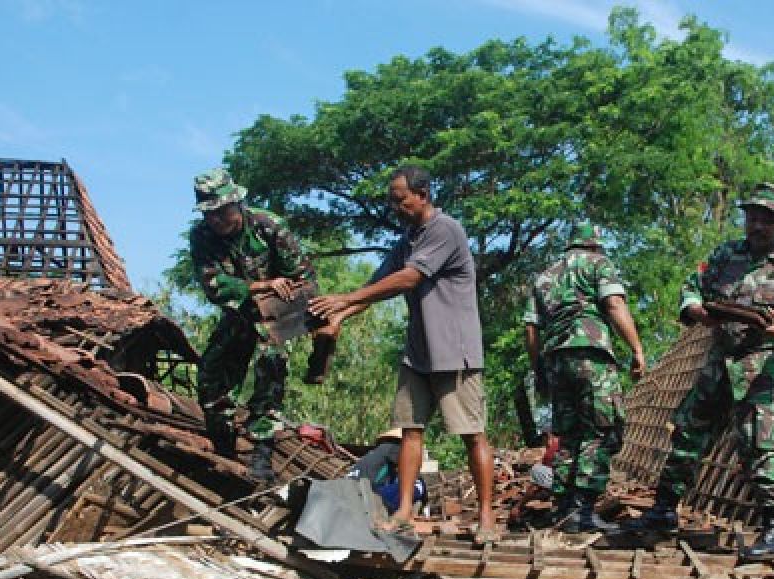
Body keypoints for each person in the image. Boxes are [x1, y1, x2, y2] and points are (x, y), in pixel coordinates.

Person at [624, 182, 774, 560]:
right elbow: (692, 286)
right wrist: (696, 308)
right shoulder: (725, 255)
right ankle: (664, 511)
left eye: (766, 219)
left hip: (761, 363)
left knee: (761, 442)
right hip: (719, 360)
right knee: (686, 433)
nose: (756, 225)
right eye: (752, 217)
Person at [309, 166, 495, 535]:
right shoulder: (407, 240)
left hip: (454, 351)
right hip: (418, 353)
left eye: (401, 199)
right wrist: (339, 315)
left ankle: (487, 516)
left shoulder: (445, 230)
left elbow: (409, 278)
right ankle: (405, 511)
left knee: (472, 433)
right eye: (392, 201)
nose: (395, 207)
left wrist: (345, 298)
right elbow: (377, 284)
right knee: (410, 430)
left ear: (423, 194)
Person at [189, 167, 312, 483]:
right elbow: (214, 286)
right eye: (210, 214)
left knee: (271, 367)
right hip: (238, 315)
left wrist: (283, 297)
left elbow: (305, 281)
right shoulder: (201, 237)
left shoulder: (269, 227)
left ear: (237, 204)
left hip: (277, 317)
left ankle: (261, 457)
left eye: (222, 211)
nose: (216, 220)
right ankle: (224, 452)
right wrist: (261, 286)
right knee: (210, 375)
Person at [523, 221, 645, 532]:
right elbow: (614, 304)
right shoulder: (598, 263)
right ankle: (584, 508)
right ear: (596, 244)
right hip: (591, 354)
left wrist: (538, 369)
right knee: (604, 429)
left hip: (556, 360)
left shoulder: (545, 276)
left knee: (568, 433)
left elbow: (531, 328)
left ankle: (565, 508)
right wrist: (637, 348)